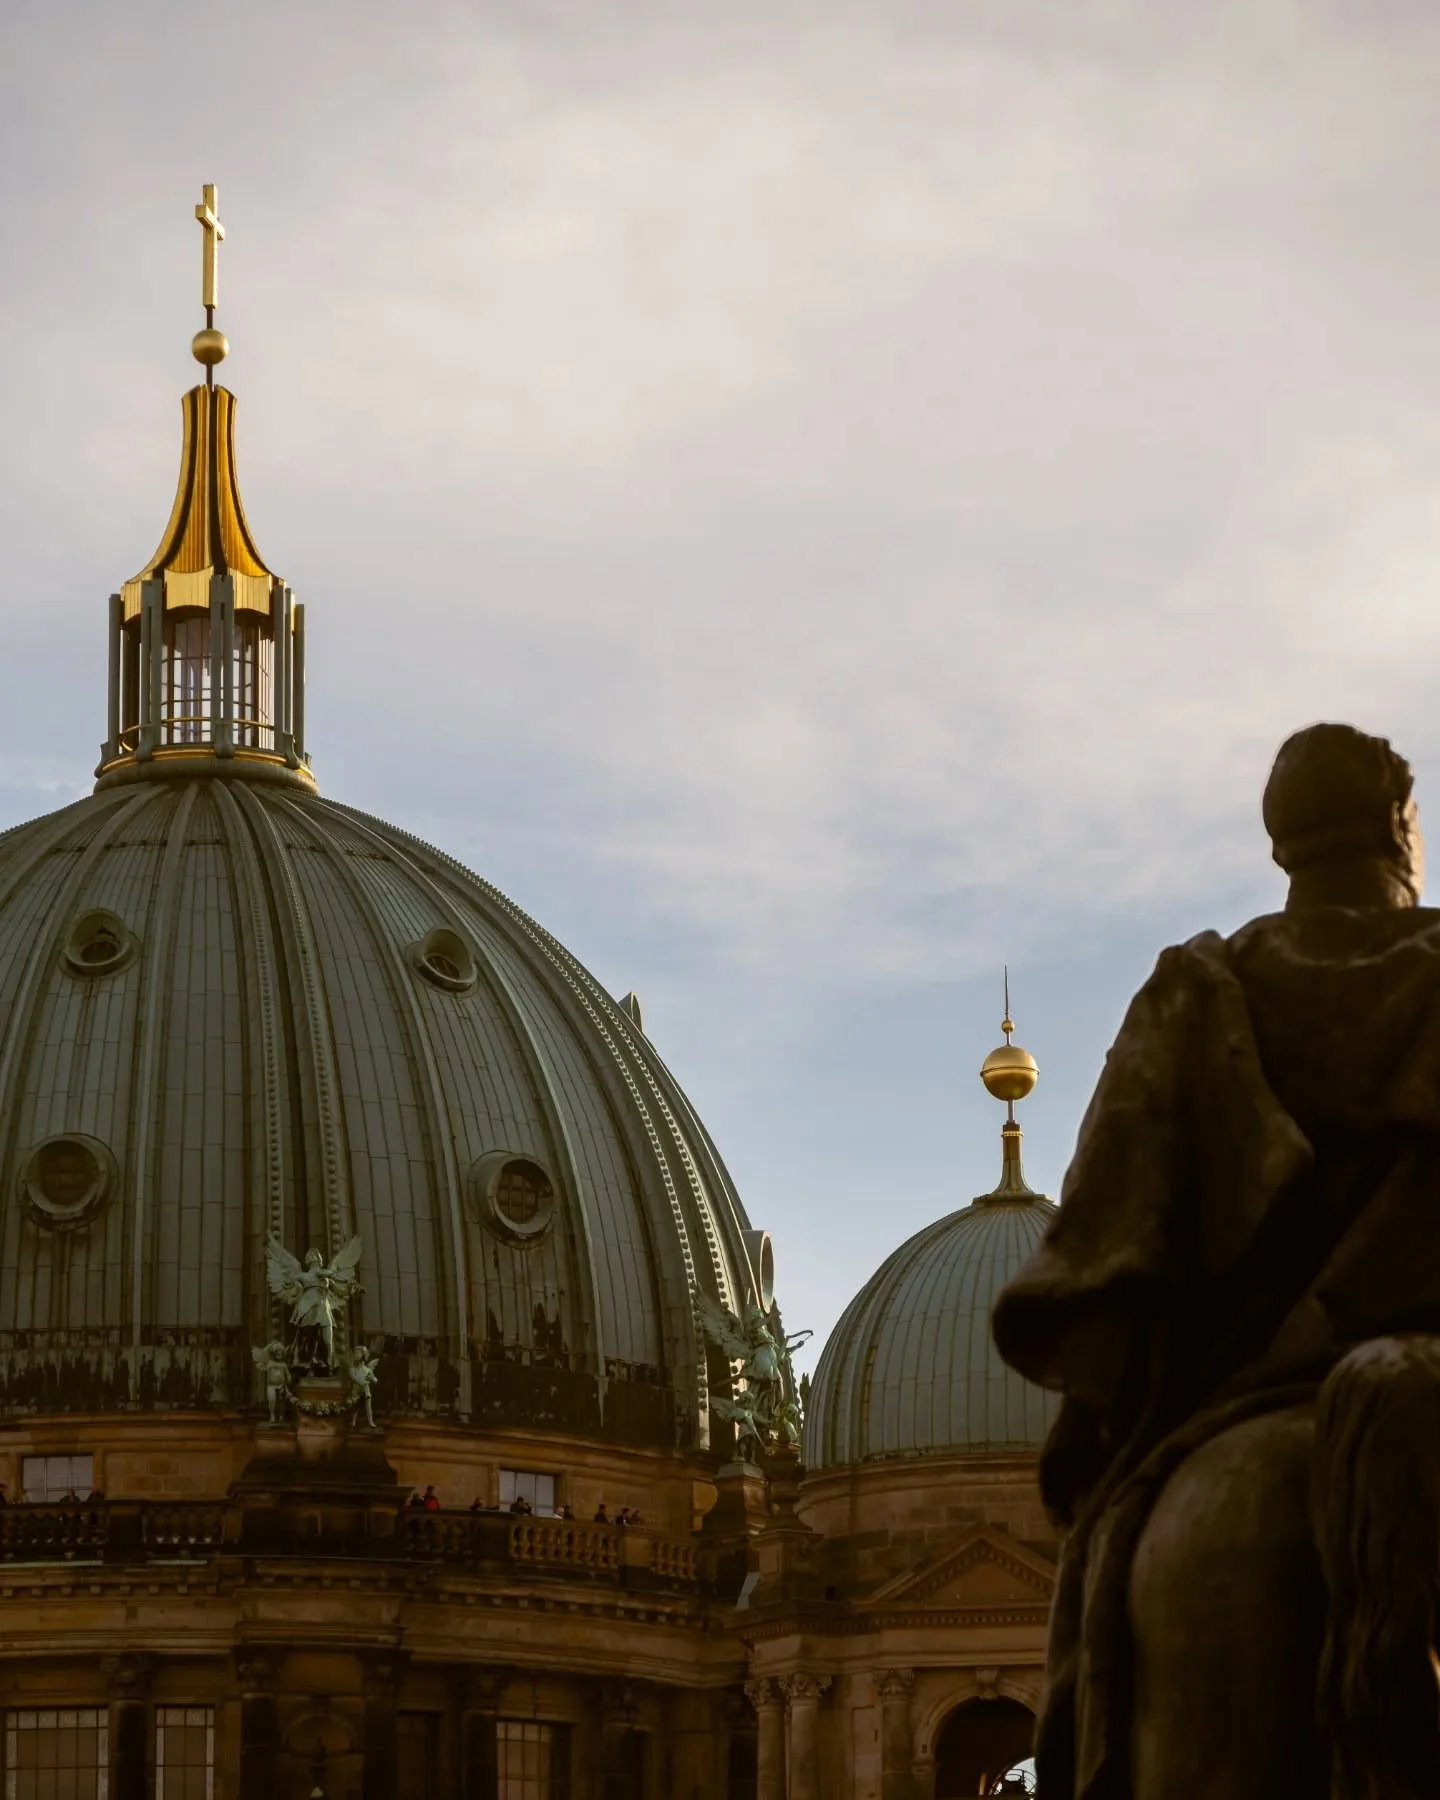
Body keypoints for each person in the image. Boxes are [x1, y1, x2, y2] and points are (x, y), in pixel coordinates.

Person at [994, 723, 1440, 1800]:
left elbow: (1100, 1266)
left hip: (1243, 1405)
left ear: (1283, 846)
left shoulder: (1197, 989)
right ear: (1398, 825)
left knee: (1100, 1594)